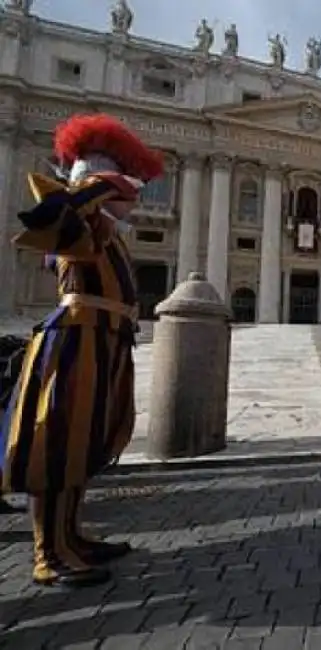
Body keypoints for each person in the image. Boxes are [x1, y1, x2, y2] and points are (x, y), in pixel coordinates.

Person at [2, 113, 165, 587]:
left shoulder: (109, 235)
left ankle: (71, 537)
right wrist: (96, 180)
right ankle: (47, 552)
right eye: (128, 192)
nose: (135, 201)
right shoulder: (76, 228)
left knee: (83, 444)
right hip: (73, 343)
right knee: (57, 444)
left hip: (105, 343)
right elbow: (55, 211)